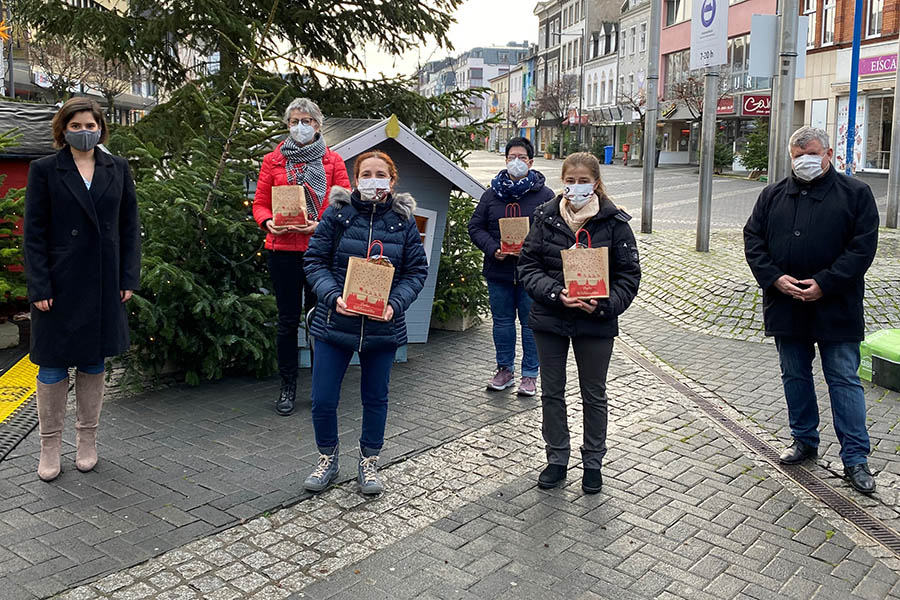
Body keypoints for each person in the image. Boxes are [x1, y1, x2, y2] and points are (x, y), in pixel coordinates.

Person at [744, 126, 879, 495]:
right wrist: (773, 278)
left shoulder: (856, 194)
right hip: (786, 305)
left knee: (844, 379)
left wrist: (826, 282)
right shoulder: (772, 195)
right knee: (795, 375)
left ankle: (856, 458)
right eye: (797, 154)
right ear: (790, 157)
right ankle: (804, 439)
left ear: (829, 154)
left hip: (836, 306)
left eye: (812, 152)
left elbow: (862, 248)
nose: (805, 160)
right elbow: (753, 239)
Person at [24, 97, 141, 482]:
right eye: (76, 126)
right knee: (52, 366)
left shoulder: (118, 168)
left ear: (101, 128)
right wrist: (39, 283)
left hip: (104, 280)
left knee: (94, 362)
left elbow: (129, 228)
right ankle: (49, 444)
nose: (84, 132)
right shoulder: (44, 169)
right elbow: (34, 234)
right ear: (63, 130)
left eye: (90, 125)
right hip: (58, 282)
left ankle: (87, 440)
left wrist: (128, 278)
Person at [302, 151, 428, 495]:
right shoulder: (337, 214)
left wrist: (395, 303)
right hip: (335, 322)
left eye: (380, 174)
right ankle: (327, 457)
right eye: (366, 174)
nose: (374, 180)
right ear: (356, 180)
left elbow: (417, 271)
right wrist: (332, 296)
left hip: (382, 327)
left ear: (392, 179)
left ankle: (369, 461)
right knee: (323, 398)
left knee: (376, 398)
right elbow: (315, 260)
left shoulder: (404, 222)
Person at [518, 152, 641, 494]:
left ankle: (593, 463)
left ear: (596, 183)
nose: (575, 188)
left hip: (595, 323)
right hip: (551, 318)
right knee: (552, 393)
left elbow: (629, 276)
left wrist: (604, 305)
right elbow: (528, 268)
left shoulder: (615, 222)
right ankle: (557, 458)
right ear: (562, 182)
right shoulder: (545, 217)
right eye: (569, 181)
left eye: (583, 181)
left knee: (594, 393)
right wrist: (557, 293)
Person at [253, 98, 350, 416]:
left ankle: (321, 386)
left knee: (320, 320)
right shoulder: (274, 160)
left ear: (318, 125)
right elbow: (260, 202)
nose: (300, 126)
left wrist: (320, 223)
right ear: (287, 124)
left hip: (319, 252)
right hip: (282, 250)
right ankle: (288, 385)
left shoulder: (332, 161)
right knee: (287, 321)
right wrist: (267, 221)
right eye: (295, 120)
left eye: (306, 120)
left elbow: (343, 203)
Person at [468, 137, 553, 396]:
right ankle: (504, 369)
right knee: (502, 323)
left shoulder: (545, 195)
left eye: (522, 158)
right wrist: (493, 248)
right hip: (499, 271)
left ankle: (530, 375)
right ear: (505, 160)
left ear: (531, 162)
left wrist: (533, 251)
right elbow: (475, 226)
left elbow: (553, 232)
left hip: (531, 273)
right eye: (511, 157)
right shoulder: (492, 194)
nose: (516, 162)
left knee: (530, 325)